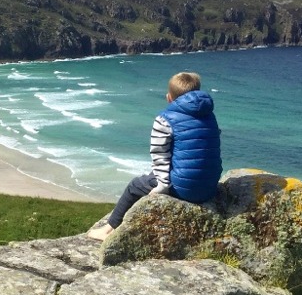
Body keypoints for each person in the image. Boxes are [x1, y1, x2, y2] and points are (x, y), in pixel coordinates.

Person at [87, 71, 221, 241]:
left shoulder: (165, 119)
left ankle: (108, 230)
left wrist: (163, 186)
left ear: (169, 98)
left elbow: (160, 155)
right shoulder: (210, 116)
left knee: (135, 186)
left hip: (184, 189)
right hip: (209, 187)